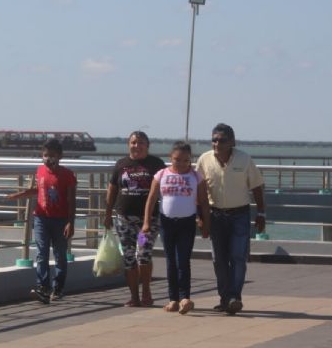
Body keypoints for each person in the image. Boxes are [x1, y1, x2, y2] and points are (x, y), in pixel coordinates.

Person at [196, 123, 265, 315]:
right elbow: (199, 190)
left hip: (239, 215)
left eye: (222, 140)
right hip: (215, 215)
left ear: (232, 142)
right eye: (214, 140)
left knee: (238, 257)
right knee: (219, 259)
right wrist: (200, 216)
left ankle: (235, 297)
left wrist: (261, 213)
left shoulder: (245, 159)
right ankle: (225, 298)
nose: (217, 144)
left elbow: (257, 186)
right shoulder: (204, 160)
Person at [143, 141, 211, 314]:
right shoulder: (161, 174)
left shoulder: (196, 177)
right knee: (170, 261)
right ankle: (173, 299)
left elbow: (204, 202)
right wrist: (146, 222)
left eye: (185, 160)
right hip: (166, 222)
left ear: (190, 160)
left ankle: (184, 297)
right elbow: (151, 199)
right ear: (170, 158)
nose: (181, 163)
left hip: (187, 223)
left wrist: (206, 224)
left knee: (183, 260)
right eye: (177, 159)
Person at [6, 138, 77, 304]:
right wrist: (19, 195)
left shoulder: (68, 175)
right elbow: (38, 190)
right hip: (41, 218)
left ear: (59, 156)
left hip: (61, 220)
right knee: (41, 253)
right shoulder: (39, 171)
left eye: (52, 155)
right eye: (45, 155)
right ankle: (42, 287)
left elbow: (71, 200)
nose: (48, 159)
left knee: (60, 255)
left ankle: (58, 287)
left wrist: (70, 222)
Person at [104, 131, 166, 307]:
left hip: (146, 222)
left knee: (143, 254)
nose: (136, 146)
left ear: (147, 145)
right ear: (128, 145)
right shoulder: (121, 164)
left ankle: (146, 292)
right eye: (133, 143)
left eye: (140, 143)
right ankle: (134, 296)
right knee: (129, 257)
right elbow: (112, 189)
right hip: (124, 220)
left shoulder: (156, 164)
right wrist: (107, 214)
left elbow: (166, 187)